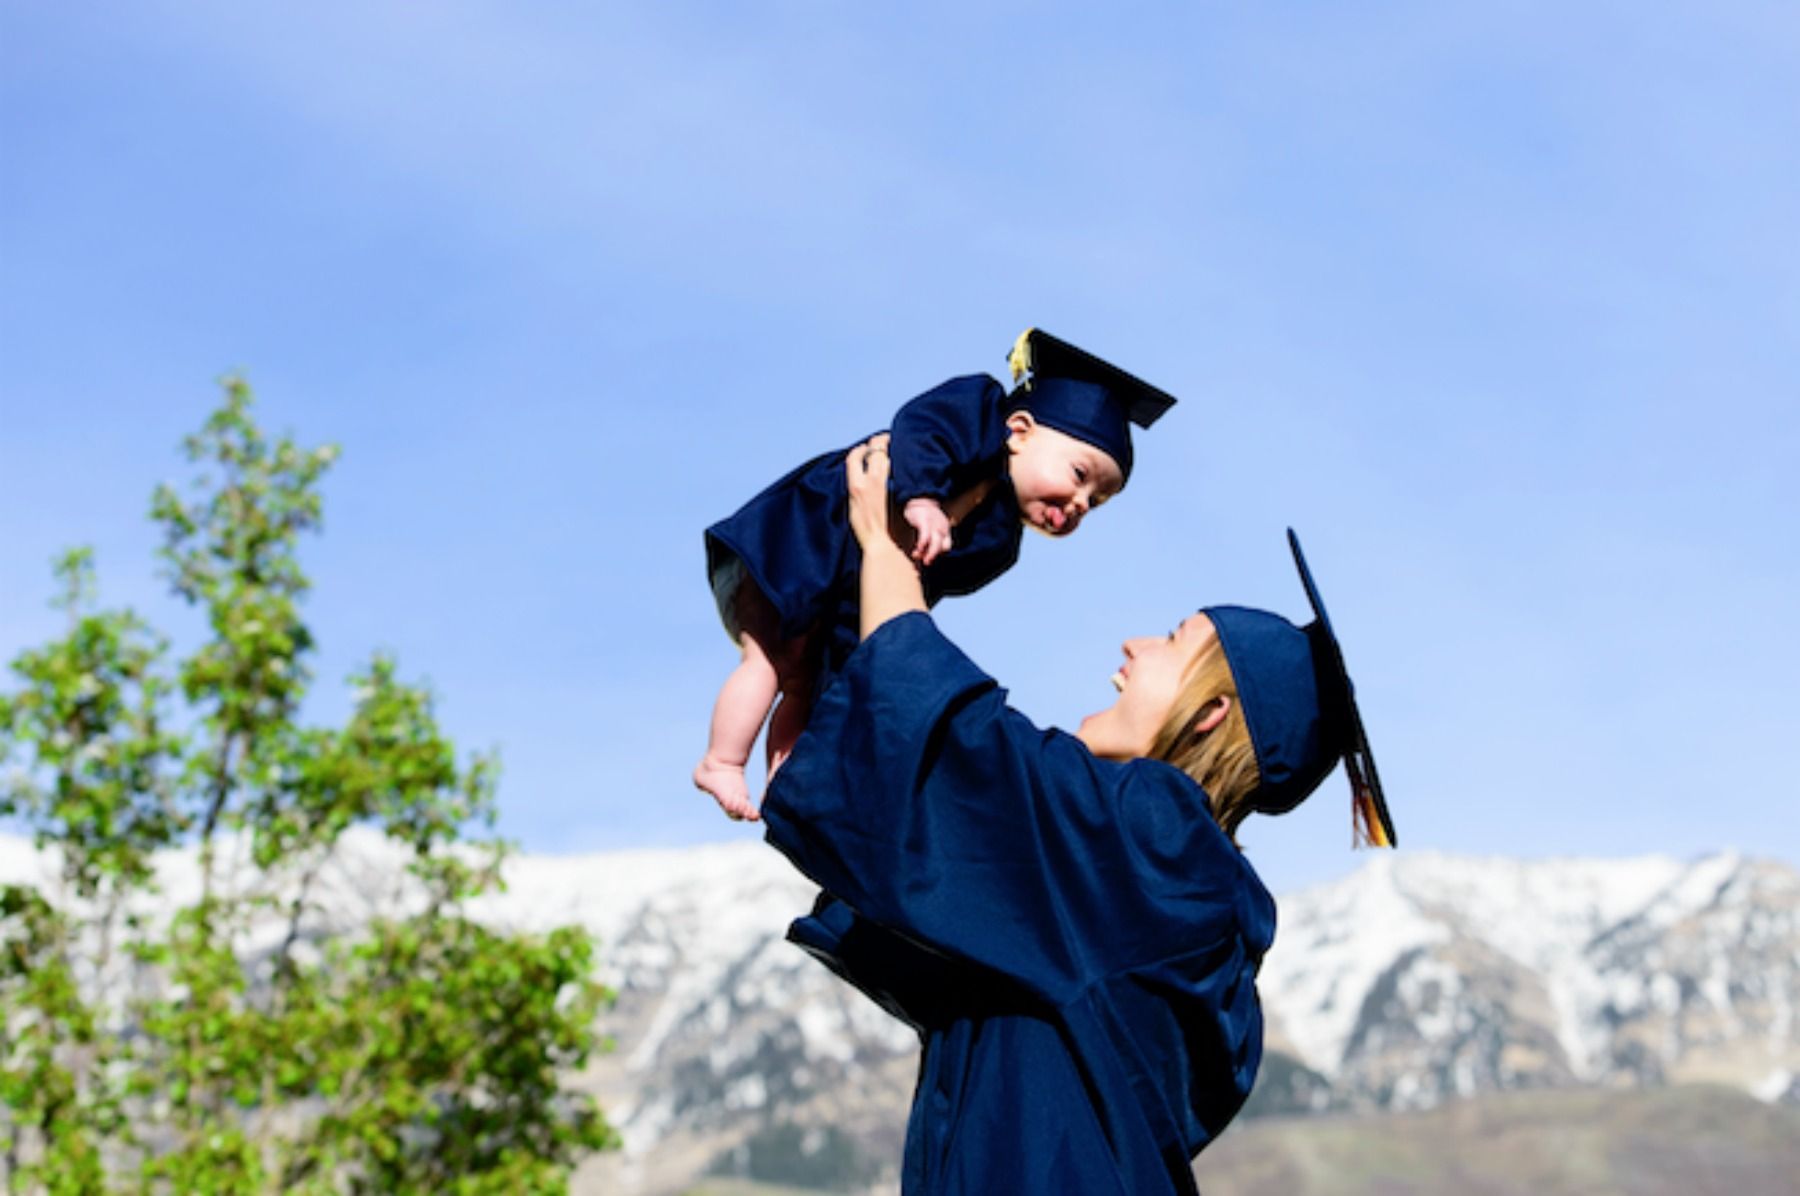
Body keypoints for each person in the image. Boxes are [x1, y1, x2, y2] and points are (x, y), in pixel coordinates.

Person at [759, 435, 1396, 1195]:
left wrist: (889, 556)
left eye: (1172, 640)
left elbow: (974, 757)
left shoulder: (1164, 855)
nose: (1133, 643)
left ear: (1211, 712)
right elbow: (945, 861)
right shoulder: (1184, 931)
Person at [696, 328, 1178, 821]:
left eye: (1095, 502)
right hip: (803, 543)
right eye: (1079, 476)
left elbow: (926, 586)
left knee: (808, 689)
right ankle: (722, 760)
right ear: (1019, 430)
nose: (1080, 504)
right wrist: (922, 497)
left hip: (843, 596)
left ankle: (788, 784)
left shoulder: (1000, 542)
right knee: (768, 663)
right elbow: (920, 432)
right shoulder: (977, 413)